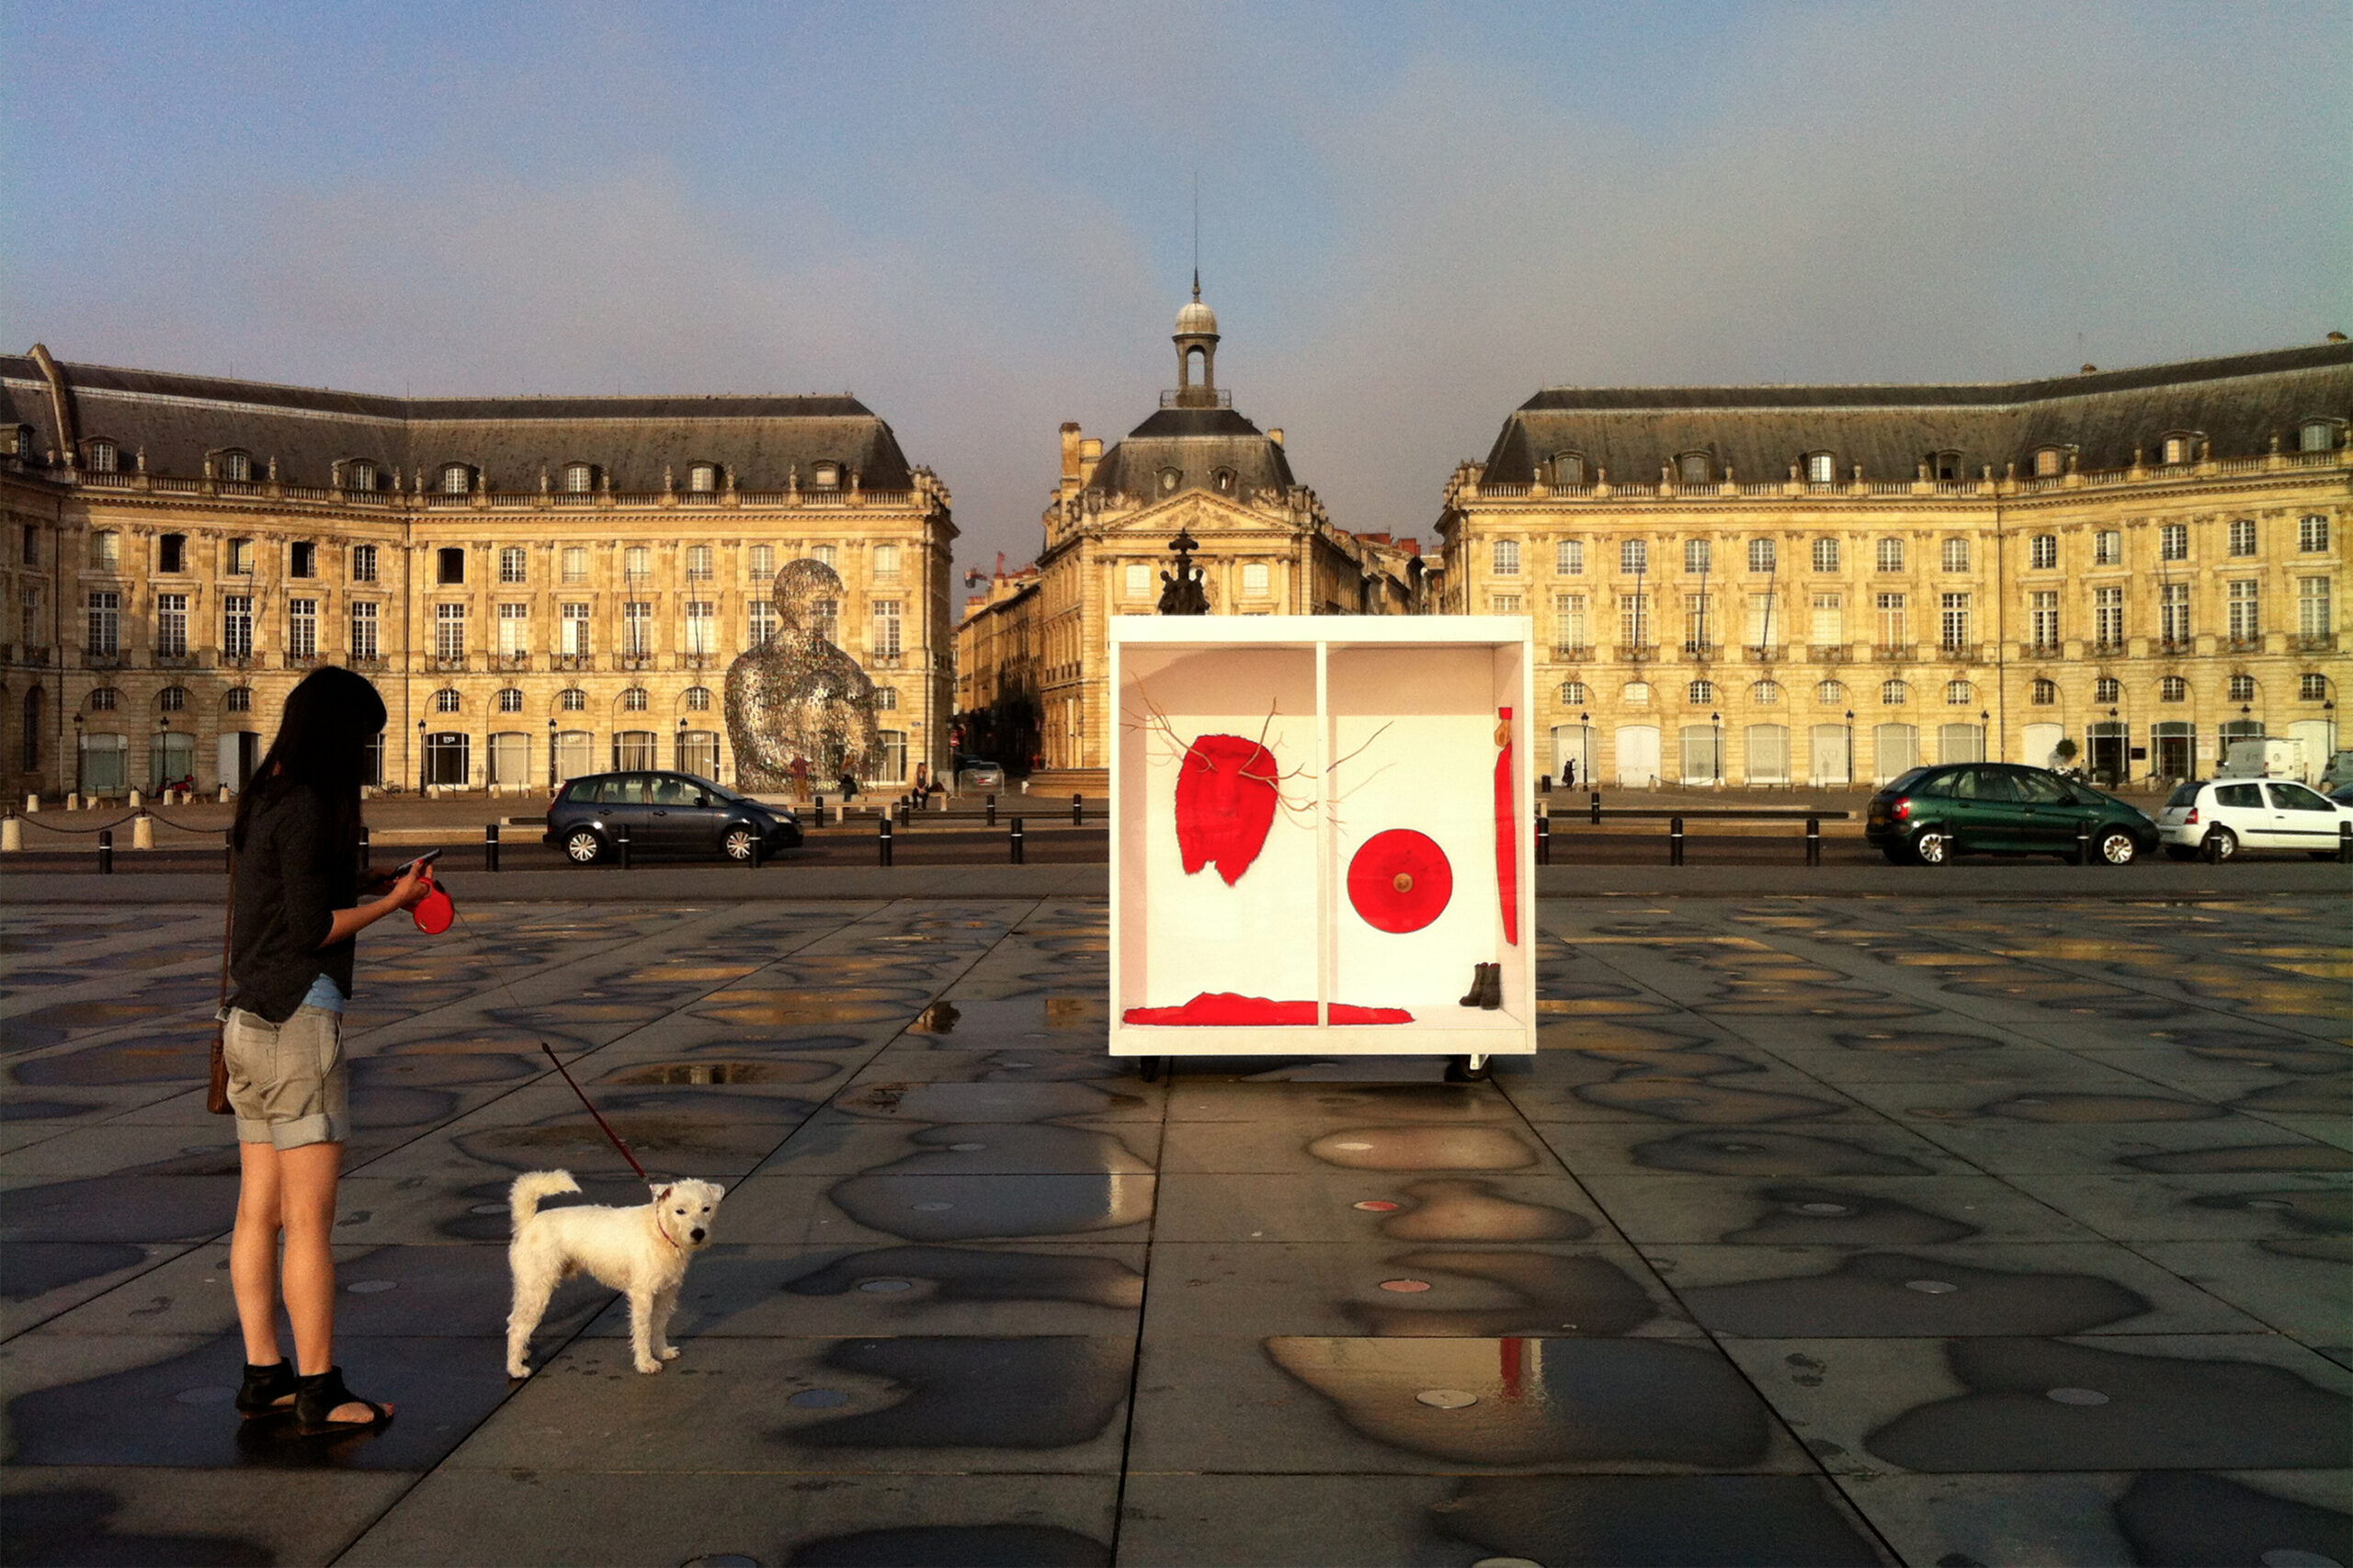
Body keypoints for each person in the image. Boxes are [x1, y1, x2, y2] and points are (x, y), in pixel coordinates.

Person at [222, 666, 430, 1433]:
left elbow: (290, 886)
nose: (367, 754)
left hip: (246, 1022)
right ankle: (320, 1388)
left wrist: (370, 878)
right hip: (298, 1024)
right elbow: (313, 928)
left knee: (258, 1213)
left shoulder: (267, 794)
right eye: (365, 739)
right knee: (309, 1221)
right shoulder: (313, 804)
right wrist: (395, 902)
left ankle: (263, 1375)